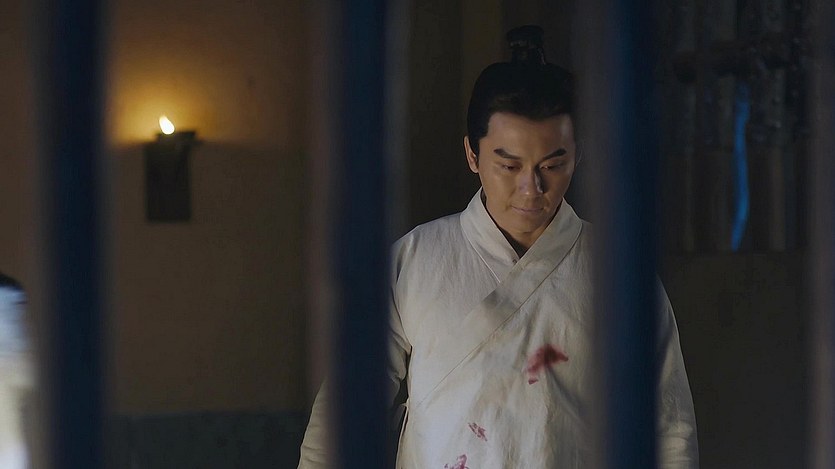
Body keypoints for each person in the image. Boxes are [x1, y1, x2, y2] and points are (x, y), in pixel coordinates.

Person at [298, 25, 698, 468]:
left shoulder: (619, 272)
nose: (531, 188)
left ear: (578, 155)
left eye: (552, 165)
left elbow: (669, 429)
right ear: (473, 155)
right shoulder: (414, 260)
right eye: (509, 165)